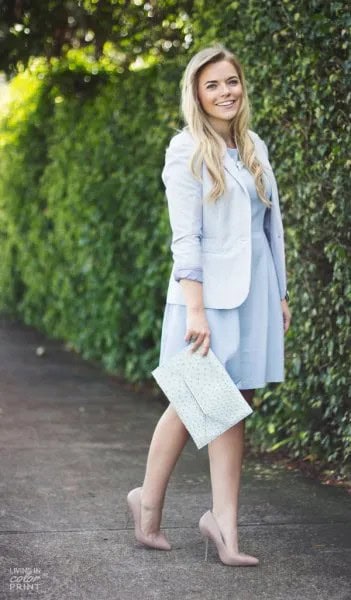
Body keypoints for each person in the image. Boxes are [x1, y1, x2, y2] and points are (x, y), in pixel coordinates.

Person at [126, 44, 291, 566]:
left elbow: (272, 230)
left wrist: (282, 293)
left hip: (255, 293)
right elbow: (185, 238)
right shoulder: (186, 149)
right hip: (205, 299)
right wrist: (195, 309)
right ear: (197, 93)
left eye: (232, 81)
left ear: (243, 87)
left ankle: (224, 528)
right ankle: (147, 502)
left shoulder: (255, 146)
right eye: (213, 84)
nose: (226, 92)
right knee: (192, 401)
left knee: (232, 405)